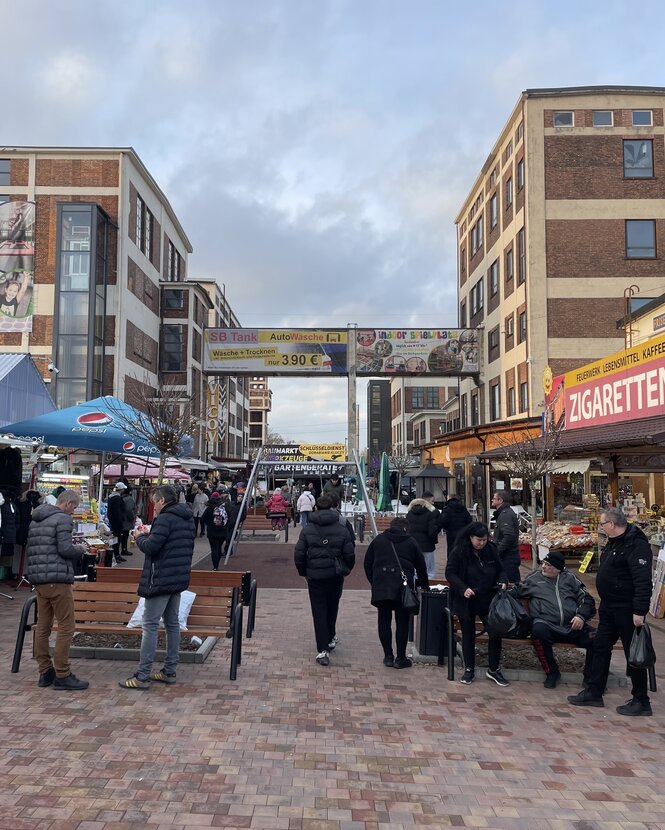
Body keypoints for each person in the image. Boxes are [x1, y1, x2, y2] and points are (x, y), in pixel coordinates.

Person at [568, 507, 654, 716]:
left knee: (632, 654)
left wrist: (639, 611)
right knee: (600, 647)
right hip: (609, 607)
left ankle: (641, 700)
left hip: (627, 609)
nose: (600, 527)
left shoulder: (636, 545)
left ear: (612, 524)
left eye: (602, 523)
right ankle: (594, 691)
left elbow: (643, 581)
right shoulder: (613, 542)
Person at [119, 484, 195, 689]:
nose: (154, 506)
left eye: (155, 502)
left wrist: (140, 537)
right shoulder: (187, 518)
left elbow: (152, 547)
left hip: (160, 578)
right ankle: (169, 670)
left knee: (150, 625)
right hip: (177, 578)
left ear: (161, 500)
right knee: (172, 625)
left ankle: (142, 676)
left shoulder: (164, 519)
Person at [25, 489, 89, 691]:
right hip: (57, 579)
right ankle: (63, 673)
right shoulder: (62, 519)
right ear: (68, 503)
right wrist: (81, 549)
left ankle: (45, 671)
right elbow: (65, 549)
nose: (74, 512)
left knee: (43, 627)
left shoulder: (36, 518)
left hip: (39, 581)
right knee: (66, 626)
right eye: (74, 507)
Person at [510, 551, 596, 688]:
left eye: (548, 565)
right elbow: (515, 591)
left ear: (558, 568)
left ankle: (591, 679)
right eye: (543, 563)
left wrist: (581, 616)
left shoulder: (571, 579)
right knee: (538, 630)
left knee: (597, 639)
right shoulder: (534, 579)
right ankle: (552, 673)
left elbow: (587, 599)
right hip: (546, 625)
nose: (543, 566)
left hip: (572, 626)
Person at [445, 521, 509, 686]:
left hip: (488, 597)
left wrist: (502, 580)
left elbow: (501, 569)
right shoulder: (459, 551)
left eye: (484, 540)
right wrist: (462, 588)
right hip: (467, 599)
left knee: (495, 631)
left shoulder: (491, 550)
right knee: (468, 634)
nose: (481, 543)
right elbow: (450, 573)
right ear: (470, 537)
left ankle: (494, 669)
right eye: (478, 540)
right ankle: (469, 669)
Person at [294, 495, 355, 666]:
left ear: (316, 509)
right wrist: (345, 569)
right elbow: (350, 554)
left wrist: (303, 573)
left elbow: (299, 554)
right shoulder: (342, 529)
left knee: (318, 609)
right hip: (335, 575)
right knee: (332, 605)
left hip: (314, 576)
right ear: (332, 508)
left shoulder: (307, 529)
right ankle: (330, 636)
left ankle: (322, 649)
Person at [364, 516, 429, 668]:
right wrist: (423, 586)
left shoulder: (379, 540)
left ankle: (388, 655)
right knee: (402, 622)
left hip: (382, 585)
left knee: (383, 620)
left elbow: (367, 563)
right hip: (403, 587)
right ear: (406, 528)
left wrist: (374, 581)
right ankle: (400, 657)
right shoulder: (411, 542)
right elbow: (421, 566)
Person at [406, 491, 440, 579]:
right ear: (427, 501)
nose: (433, 503)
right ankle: (427, 586)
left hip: (413, 544)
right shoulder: (430, 514)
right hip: (427, 544)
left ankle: (415, 586)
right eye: (432, 501)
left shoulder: (409, 514)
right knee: (429, 570)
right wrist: (434, 540)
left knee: (415, 566)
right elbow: (432, 531)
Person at [491, 490, 520, 583]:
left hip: (508, 557)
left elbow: (509, 536)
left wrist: (498, 551)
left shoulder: (505, 514)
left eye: (494, 498)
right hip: (508, 556)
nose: (492, 500)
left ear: (500, 500)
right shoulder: (504, 513)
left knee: (509, 583)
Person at [201, 491, 229, 570]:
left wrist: (208, 524)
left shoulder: (209, 509)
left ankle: (215, 567)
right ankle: (217, 564)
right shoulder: (223, 508)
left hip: (212, 532)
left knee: (214, 549)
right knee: (219, 548)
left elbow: (202, 519)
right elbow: (228, 517)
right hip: (222, 532)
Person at [106, 482, 128, 564]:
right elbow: (117, 512)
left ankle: (115, 555)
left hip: (113, 522)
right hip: (117, 523)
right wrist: (120, 522)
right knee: (117, 540)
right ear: (121, 489)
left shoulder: (111, 497)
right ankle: (115, 555)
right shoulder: (117, 498)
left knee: (114, 539)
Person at [119, 483, 136, 557]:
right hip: (126, 520)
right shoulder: (129, 499)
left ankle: (123, 549)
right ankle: (124, 549)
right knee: (125, 535)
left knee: (122, 535)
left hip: (121, 519)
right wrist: (132, 518)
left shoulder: (121, 497)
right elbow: (129, 510)